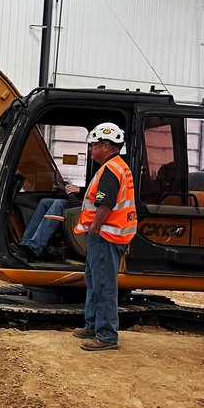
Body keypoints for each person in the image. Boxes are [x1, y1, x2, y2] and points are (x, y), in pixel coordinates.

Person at [72, 122, 136, 351]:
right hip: (109, 235)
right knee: (94, 280)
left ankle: (107, 335)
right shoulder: (118, 167)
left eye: (93, 146)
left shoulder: (110, 170)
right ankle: (92, 325)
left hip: (105, 236)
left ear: (106, 146)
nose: (91, 150)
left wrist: (94, 227)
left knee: (103, 285)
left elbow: (105, 204)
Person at [14, 181, 80, 262]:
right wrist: (65, 189)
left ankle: (34, 248)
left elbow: (95, 194)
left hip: (85, 207)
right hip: (79, 201)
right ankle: (25, 243)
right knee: (44, 202)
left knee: (58, 204)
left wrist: (79, 190)